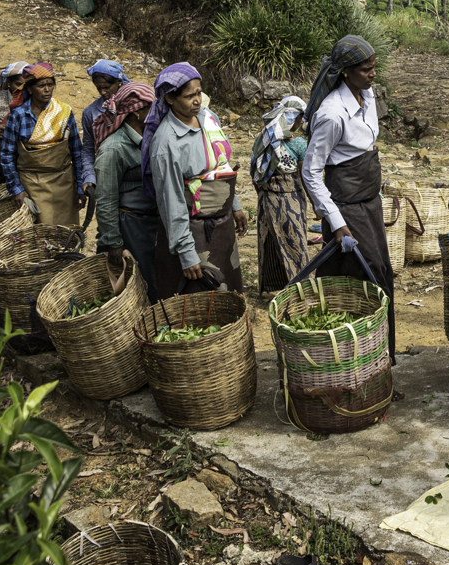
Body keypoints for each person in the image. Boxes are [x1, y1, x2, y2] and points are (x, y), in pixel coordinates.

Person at [301, 36, 397, 351]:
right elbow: (311, 171)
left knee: (382, 277)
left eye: (374, 68)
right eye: (366, 69)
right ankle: (354, 362)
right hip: (348, 212)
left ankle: (384, 362)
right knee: (364, 283)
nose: (373, 74)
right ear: (345, 71)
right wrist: (336, 221)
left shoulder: (366, 97)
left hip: (369, 205)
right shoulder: (331, 114)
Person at [143, 64, 247, 297]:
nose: (198, 100)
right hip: (194, 231)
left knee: (229, 291)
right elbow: (171, 203)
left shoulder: (208, 118)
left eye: (199, 92)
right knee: (202, 297)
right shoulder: (166, 143)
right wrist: (186, 253)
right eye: (190, 96)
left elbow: (219, 164)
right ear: (170, 98)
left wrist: (235, 205)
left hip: (222, 225)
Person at [91, 81, 159, 295]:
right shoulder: (114, 148)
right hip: (129, 226)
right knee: (138, 284)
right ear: (136, 113)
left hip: (148, 223)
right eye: (151, 108)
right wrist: (113, 242)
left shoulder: (150, 139)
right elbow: (105, 199)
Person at [0, 63, 85, 227]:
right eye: (41, 85)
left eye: (50, 84)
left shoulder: (63, 111)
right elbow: (7, 155)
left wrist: (79, 187)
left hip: (63, 183)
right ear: (30, 89)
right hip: (31, 183)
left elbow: (76, 151)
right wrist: (17, 189)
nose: (47, 89)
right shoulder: (18, 116)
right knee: (39, 234)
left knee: (65, 232)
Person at [251, 96, 311, 294]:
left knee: (270, 242)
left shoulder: (263, 141)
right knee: (296, 245)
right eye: (300, 118)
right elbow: (304, 178)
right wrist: (314, 204)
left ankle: (272, 286)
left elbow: (255, 174)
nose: (301, 122)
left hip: (266, 200)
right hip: (290, 201)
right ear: (293, 119)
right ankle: (301, 291)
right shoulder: (299, 145)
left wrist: (264, 193)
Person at [78, 61, 132, 193]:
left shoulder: (134, 105)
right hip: (108, 174)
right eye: (98, 88)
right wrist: (89, 176)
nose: (102, 92)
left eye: (107, 87)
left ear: (119, 81)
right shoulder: (91, 113)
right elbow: (88, 148)